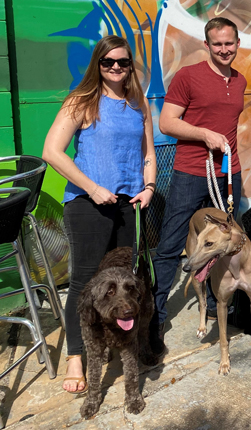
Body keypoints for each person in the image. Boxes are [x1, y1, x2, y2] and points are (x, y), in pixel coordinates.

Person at [42, 35, 156, 394]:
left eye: (123, 62)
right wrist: (92, 187)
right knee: (86, 282)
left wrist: (150, 186)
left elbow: (148, 152)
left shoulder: (138, 103)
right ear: (98, 64)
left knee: (123, 279)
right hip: (88, 204)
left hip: (127, 204)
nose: (117, 69)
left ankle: (122, 344)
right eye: (109, 63)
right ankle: (76, 356)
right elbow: (52, 151)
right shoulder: (83, 101)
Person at [151, 17, 247, 352]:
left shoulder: (240, 80)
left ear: (237, 43)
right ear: (207, 45)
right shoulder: (188, 76)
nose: (224, 49)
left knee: (233, 243)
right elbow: (167, 122)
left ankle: (232, 307)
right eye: (217, 44)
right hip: (191, 173)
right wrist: (203, 134)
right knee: (171, 245)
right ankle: (156, 317)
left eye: (229, 43)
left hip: (228, 174)